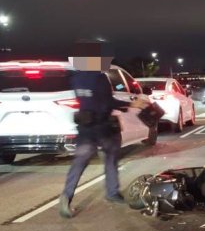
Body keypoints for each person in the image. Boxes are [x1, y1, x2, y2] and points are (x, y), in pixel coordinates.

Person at [59, 43, 148, 218]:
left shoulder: (75, 78)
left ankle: (66, 196)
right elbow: (107, 103)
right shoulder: (99, 78)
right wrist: (131, 103)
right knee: (111, 158)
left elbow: (88, 100)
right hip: (103, 126)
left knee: (79, 163)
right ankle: (112, 192)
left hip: (85, 127)